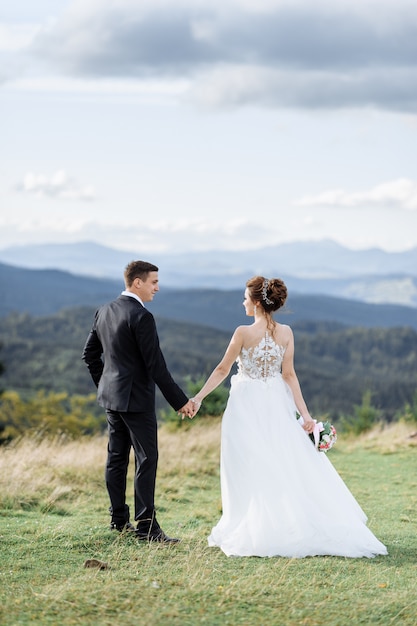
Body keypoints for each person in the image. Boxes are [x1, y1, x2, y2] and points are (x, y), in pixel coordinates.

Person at [189, 276, 387, 558]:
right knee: (281, 459)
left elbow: (222, 370)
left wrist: (198, 398)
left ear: (257, 302)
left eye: (246, 297)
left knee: (247, 463)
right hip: (276, 403)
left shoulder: (243, 332)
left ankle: (256, 525)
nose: (243, 301)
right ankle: (278, 523)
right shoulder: (286, 332)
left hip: (246, 405)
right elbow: (289, 376)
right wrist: (305, 416)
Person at [82, 260, 195, 543]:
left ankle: (118, 520)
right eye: (154, 282)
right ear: (137, 283)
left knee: (116, 458)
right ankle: (146, 526)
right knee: (147, 459)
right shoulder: (142, 317)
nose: (157, 287)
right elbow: (156, 366)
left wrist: (106, 385)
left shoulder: (104, 311)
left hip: (112, 399)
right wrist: (180, 402)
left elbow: (89, 355)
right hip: (136, 402)